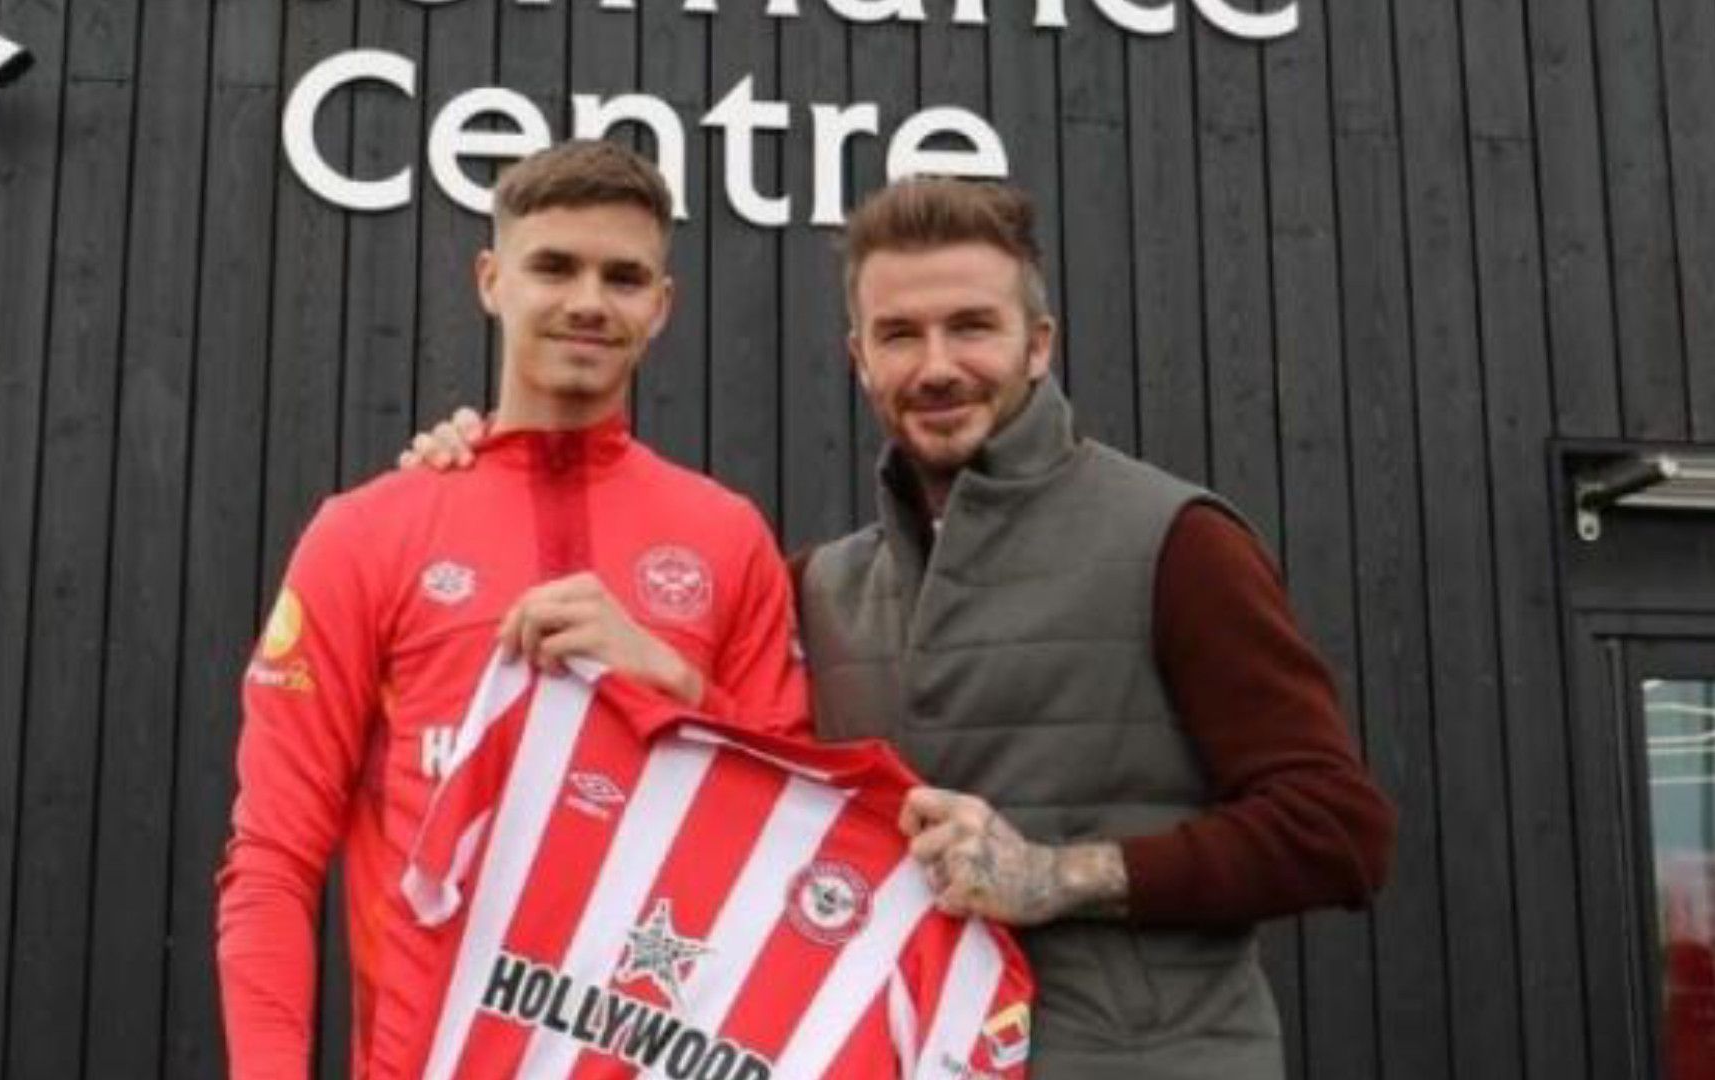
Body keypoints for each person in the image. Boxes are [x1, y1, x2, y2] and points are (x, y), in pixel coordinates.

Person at [405, 175, 1394, 1078]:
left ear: (1038, 343)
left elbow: (1338, 830)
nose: (937, 366)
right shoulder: (823, 586)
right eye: (900, 335)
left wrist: (1057, 876)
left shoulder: (1177, 541)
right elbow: (743, 785)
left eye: (972, 328)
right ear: (859, 359)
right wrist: (480, 467)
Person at [217, 141, 808, 1079]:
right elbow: (272, 859)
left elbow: (793, 840)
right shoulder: (368, 531)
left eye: (623, 277)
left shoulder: (727, 537)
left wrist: (674, 683)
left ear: (661, 305)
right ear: (492, 281)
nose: (588, 301)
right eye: (554, 267)